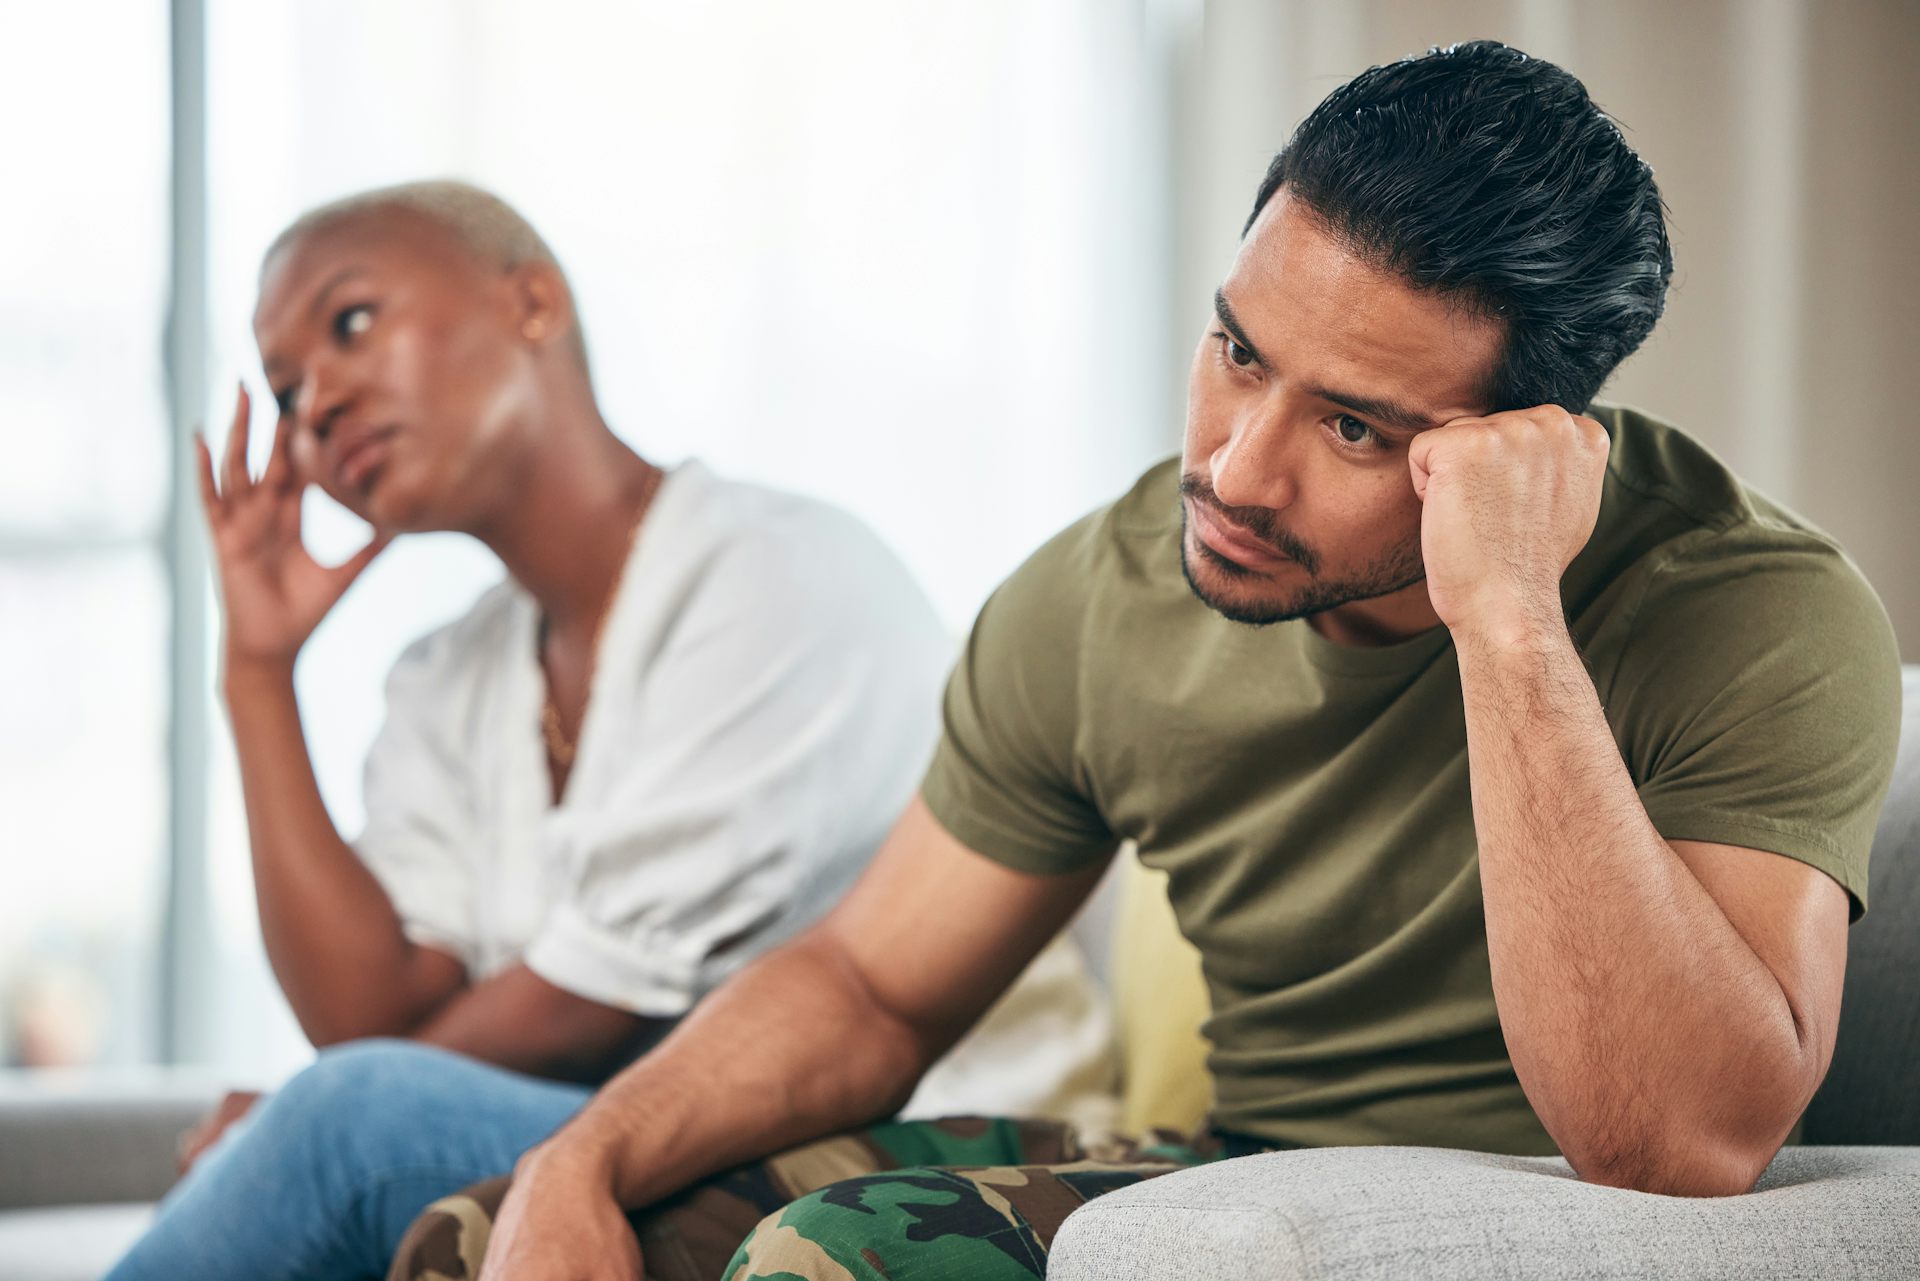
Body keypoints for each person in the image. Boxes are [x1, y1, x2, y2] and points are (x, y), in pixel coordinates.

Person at [385, 42, 1902, 1281]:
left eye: (1357, 427)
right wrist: (580, 1157)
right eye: (1240, 352)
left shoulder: (1752, 610)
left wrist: (1507, 614)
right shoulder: (1105, 596)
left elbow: (1680, 1146)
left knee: (830, 1260)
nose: (1240, 473)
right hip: (1240, 1189)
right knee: (490, 1234)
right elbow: (867, 987)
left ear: (1529, 439)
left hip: (1556, 1203)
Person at [104, 182, 1112, 1280]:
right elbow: (368, 1018)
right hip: (653, 1124)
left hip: (930, 1144)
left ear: (533, 303)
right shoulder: (449, 676)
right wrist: (257, 675)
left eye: (351, 323)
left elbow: (568, 1018)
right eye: (287, 393)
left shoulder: (776, 576)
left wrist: (307, 1119)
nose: (317, 409)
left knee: (344, 1124)